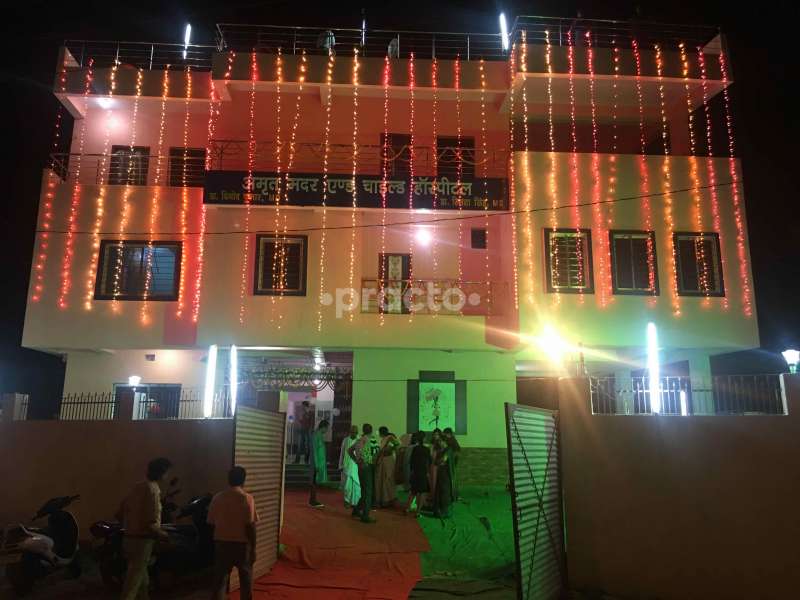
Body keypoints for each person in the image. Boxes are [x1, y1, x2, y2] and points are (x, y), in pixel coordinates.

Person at [119, 457, 172, 600]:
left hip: (128, 538)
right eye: (167, 472)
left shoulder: (137, 487)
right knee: (133, 583)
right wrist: (164, 535)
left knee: (142, 579)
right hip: (142, 541)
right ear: (162, 473)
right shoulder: (153, 489)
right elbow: (151, 523)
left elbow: (120, 511)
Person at [208, 466, 259, 600]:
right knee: (245, 581)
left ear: (229, 480)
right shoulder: (247, 498)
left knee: (220, 581)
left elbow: (211, 523)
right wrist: (253, 548)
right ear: (243, 480)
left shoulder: (217, 498)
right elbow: (250, 526)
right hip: (242, 546)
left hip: (221, 544)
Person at [348, 423, 380, 523]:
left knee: (364, 491)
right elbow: (377, 452)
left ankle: (356, 510)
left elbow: (349, 450)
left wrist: (357, 461)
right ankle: (365, 515)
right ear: (371, 430)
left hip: (362, 467)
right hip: (368, 467)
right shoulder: (371, 439)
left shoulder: (359, 440)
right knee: (368, 492)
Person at [405, 432, 431, 516]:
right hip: (423, 472)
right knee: (422, 492)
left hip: (415, 472)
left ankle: (407, 508)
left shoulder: (415, 449)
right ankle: (418, 512)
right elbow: (429, 462)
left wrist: (412, 471)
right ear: (423, 438)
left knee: (413, 491)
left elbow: (411, 461)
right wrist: (428, 472)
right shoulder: (427, 449)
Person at [374, 429, 399, 508]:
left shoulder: (389, 438)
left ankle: (389, 500)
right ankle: (384, 500)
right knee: (382, 481)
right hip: (384, 461)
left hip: (388, 461)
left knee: (388, 480)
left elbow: (397, 445)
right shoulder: (384, 439)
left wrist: (391, 449)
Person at [338, 425, 361, 508]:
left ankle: (355, 502)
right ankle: (347, 501)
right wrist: (340, 465)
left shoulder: (359, 440)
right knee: (347, 485)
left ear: (357, 433)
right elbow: (342, 453)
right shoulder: (345, 440)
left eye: (355, 432)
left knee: (355, 484)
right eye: (352, 432)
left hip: (355, 466)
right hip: (346, 465)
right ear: (350, 432)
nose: (353, 434)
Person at [432, 437, 454, 518]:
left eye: (441, 441)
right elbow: (436, 462)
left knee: (444, 492)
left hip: (446, 474)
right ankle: (438, 511)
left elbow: (443, 460)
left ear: (445, 442)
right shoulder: (441, 450)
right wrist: (439, 462)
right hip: (440, 473)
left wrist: (440, 462)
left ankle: (444, 511)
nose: (439, 443)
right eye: (439, 441)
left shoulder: (448, 449)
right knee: (439, 491)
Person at [308, 419, 329, 508]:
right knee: (313, 482)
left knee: (315, 482)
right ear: (323, 427)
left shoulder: (319, 435)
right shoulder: (316, 435)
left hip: (319, 463)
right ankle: (312, 501)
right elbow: (314, 451)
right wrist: (316, 465)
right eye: (327, 428)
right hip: (316, 464)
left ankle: (313, 500)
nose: (327, 430)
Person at [442, 427, 461, 501]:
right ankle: (454, 495)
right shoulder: (452, 440)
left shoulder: (451, 441)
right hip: (452, 462)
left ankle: (454, 495)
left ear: (448, 434)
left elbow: (455, 452)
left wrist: (451, 460)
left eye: (445, 434)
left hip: (451, 463)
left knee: (452, 479)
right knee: (452, 479)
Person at [295, 400, 315, 464]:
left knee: (307, 446)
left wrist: (311, 430)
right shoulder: (303, 414)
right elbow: (302, 422)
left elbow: (312, 423)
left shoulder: (311, 413)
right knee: (299, 445)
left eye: (302, 406)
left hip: (308, 431)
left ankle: (306, 460)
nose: (302, 407)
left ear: (305, 406)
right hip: (302, 430)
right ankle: (297, 461)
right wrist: (299, 420)